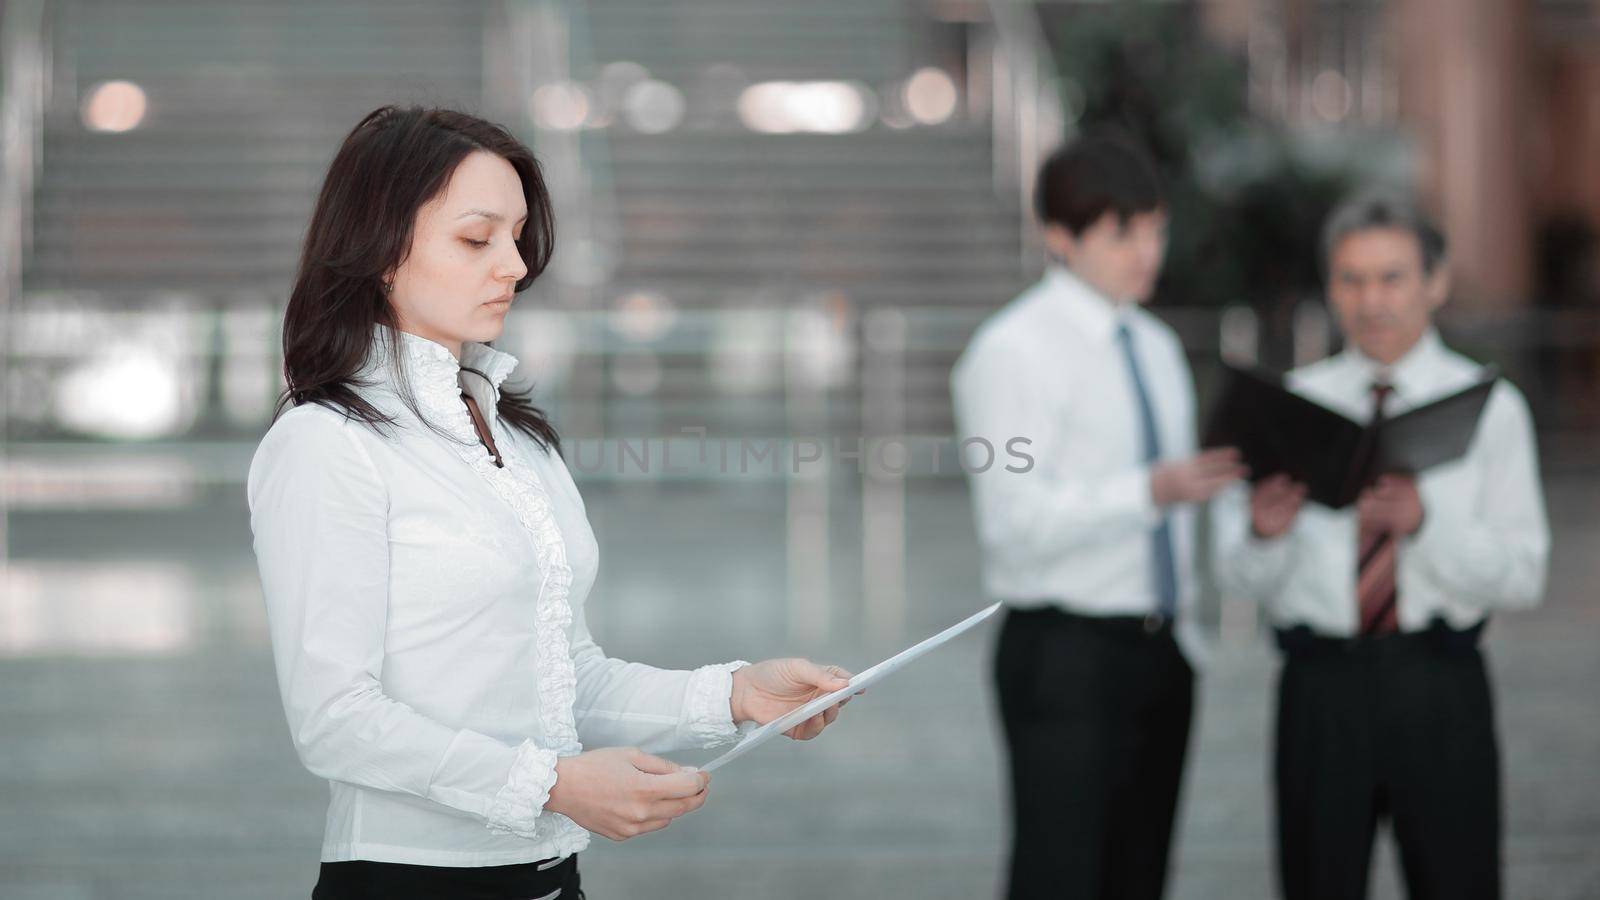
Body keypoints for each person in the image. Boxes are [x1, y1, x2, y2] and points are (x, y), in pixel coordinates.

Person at [247, 106, 854, 900]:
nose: (515, 266)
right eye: (477, 238)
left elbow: (567, 679)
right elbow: (336, 719)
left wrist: (736, 695)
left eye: (516, 236)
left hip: (551, 878)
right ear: (380, 249)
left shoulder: (516, 435)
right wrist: (553, 785)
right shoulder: (329, 443)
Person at [1212, 189, 1550, 900]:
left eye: (1392, 277)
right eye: (1351, 279)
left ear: (1436, 281)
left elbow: (1525, 576)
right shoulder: (1293, 407)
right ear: (1330, 288)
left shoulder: (1491, 409)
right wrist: (1263, 536)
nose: (1372, 301)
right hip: (1319, 689)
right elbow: (1236, 578)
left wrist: (1428, 525)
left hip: (1441, 685)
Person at [951, 129, 1244, 900]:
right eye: (1123, 234)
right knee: (1060, 873)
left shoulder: (1155, 346)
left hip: (1160, 652)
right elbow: (1011, 521)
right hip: (1065, 655)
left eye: (1155, 229)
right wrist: (1147, 491)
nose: (1146, 252)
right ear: (1060, 234)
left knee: (1139, 875)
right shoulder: (1011, 352)